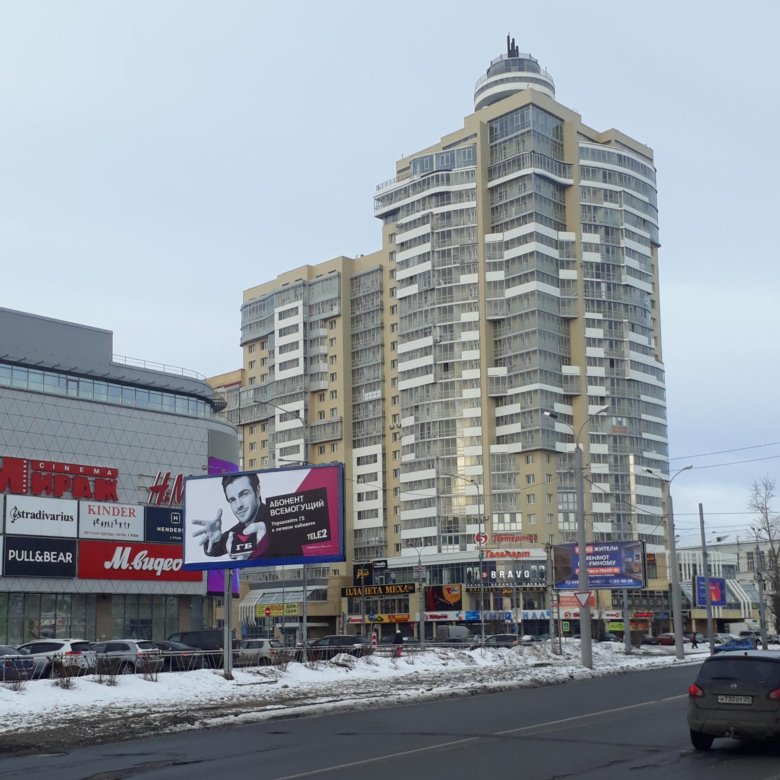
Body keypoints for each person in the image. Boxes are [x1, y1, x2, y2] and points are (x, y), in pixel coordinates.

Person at [191, 473, 270, 561]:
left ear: (257, 491)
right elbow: (217, 548)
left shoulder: (278, 520)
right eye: (232, 500)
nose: (239, 505)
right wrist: (213, 540)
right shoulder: (237, 531)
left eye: (244, 494)